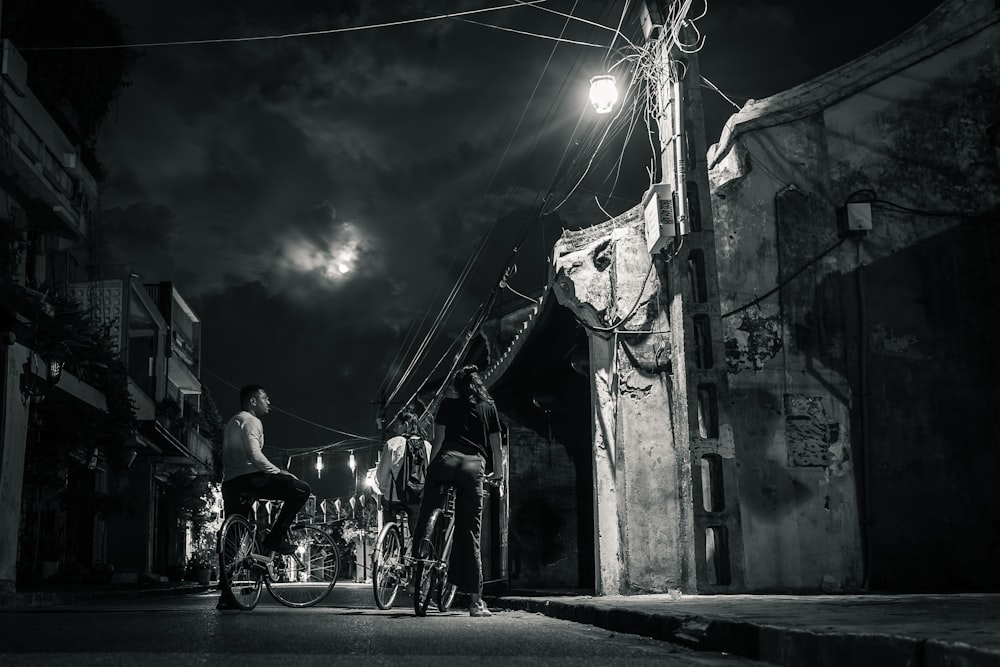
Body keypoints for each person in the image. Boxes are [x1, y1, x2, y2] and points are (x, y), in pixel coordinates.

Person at [412, 365, 504, 618]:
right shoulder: (489, 408)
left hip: (446, 459)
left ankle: (417, 564)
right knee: (470, 532)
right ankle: (476, 603)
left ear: (457, 387)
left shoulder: (447, 405)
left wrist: (431, 471)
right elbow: (497, 448)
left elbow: (438, 441)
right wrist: (498, 474)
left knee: (427, 510)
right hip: (473, 465)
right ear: (478, 385)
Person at [217, 384, 311, 610]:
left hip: (231, 483)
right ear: (252, 401)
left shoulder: (232, 422)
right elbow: (254, 455)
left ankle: (227, 594)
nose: (269, 402)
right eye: (265, 398)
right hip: (251, 479)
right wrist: (278, 472)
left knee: (233, 537)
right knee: (301, 489)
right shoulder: (251, 421)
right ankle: (275, 538)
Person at [372, 409, 432, 549]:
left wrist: (383, 490)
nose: (395, 428)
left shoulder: (393, 443)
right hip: (418, 498)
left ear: (405, 424)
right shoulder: (427, 446)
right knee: (417, 527)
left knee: (387, 511)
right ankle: (416, 555)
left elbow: (382, 475)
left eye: (397, 425)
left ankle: (392, 546)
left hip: (395, 498)